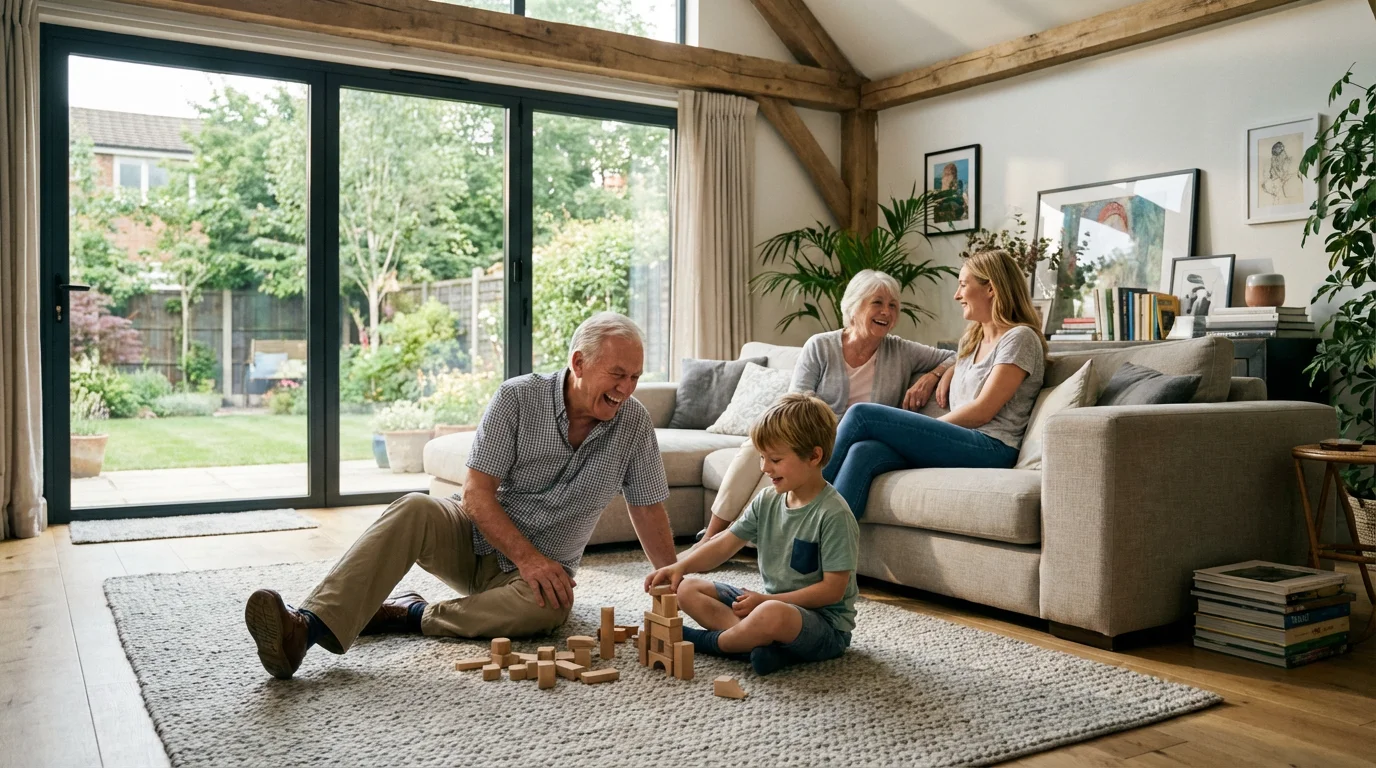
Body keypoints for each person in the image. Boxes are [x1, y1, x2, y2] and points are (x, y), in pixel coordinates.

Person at [243, 312, 678, 679]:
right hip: (473, 541)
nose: (627, 388)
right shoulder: (517, 397)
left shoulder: (634, 425)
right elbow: (476, 495)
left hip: (535, 582)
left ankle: (405, 614)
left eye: (636, 377)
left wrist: (674, 582)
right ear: (579, 363)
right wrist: (529, 558)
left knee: (549, 611)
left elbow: (647, 506)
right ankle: (304, 628)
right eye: (617, 374)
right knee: (414, 506)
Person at [698, 270, 953, 541]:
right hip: (809, 432)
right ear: (854, 306)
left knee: (793, 461)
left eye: (893, 306)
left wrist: (932, 376)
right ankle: (711, 536)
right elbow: (796, 402)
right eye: (877, 303)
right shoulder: (820, 345)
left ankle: (749, 539)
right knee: (756, 447)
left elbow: (957, 354)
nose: (886, 312)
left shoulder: (901, 351)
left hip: (856, 443)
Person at [645, 393, 859, 676]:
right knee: (688, 589)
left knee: (771, 615)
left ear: (814, 456)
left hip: (823, 626)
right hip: (768, 605)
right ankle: (759, 645)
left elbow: (832, 591)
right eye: (761, 457)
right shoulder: (767, 500)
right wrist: (679, 566)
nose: (764, 468)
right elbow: (724, 544)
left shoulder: (833, 514)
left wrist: (767, 601)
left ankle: (711, 643)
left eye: (775, 459)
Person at [823, 249, 1047, 517]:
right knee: (864, 452)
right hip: (964, 441)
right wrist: (940, 372)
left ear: (991, 288)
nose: (957, 295)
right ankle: (812, 557)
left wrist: (925, 430)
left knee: (861, 415)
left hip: (992, 447)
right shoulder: (971, 340)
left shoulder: (1019, 338)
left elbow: (983, 411)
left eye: (963, 284)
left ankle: (804, 496)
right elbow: (953, 360)